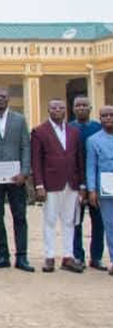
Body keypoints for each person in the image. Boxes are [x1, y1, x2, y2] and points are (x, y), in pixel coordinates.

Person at [0, 87, 33, 272]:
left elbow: (26, 146)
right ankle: (2, 256)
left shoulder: (19, 120)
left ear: (8, 99)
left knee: (19, 217)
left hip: (16, 178)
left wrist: (25, 172)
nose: (0, 99)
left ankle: (22, 257)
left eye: (3, 97)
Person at [31, 99, 85, 273]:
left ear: (65, 111)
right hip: (51, 183)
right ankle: (49, 256)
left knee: (69, 221)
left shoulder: (74, 132)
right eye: (54, 108)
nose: (58, 110)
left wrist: (82, 185)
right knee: (50, 220)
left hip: (72, 183)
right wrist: (39, 184)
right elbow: (36, 161)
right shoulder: (40, 131)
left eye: (61, 108)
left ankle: (68, 257)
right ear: (48, 110)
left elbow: (79, 159)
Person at [70, 96, 105, 269]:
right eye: (78, 105)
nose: (81, 108)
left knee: (99, 221)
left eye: (84, 105)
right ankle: (78, 256)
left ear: (90, 108)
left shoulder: (98, 128)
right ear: (73, 108)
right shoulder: (68, 128)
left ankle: (96, 257)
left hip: (97, 184)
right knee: (76, 221)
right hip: (75, 183)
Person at [85, 105, 113, 276]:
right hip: (105, 188)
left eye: (111, 115)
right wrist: (91, 190)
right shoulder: (93, 140)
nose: (108, 118)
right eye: (104, 116)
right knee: (110, 225)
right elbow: (91, 167)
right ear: (100, 119)